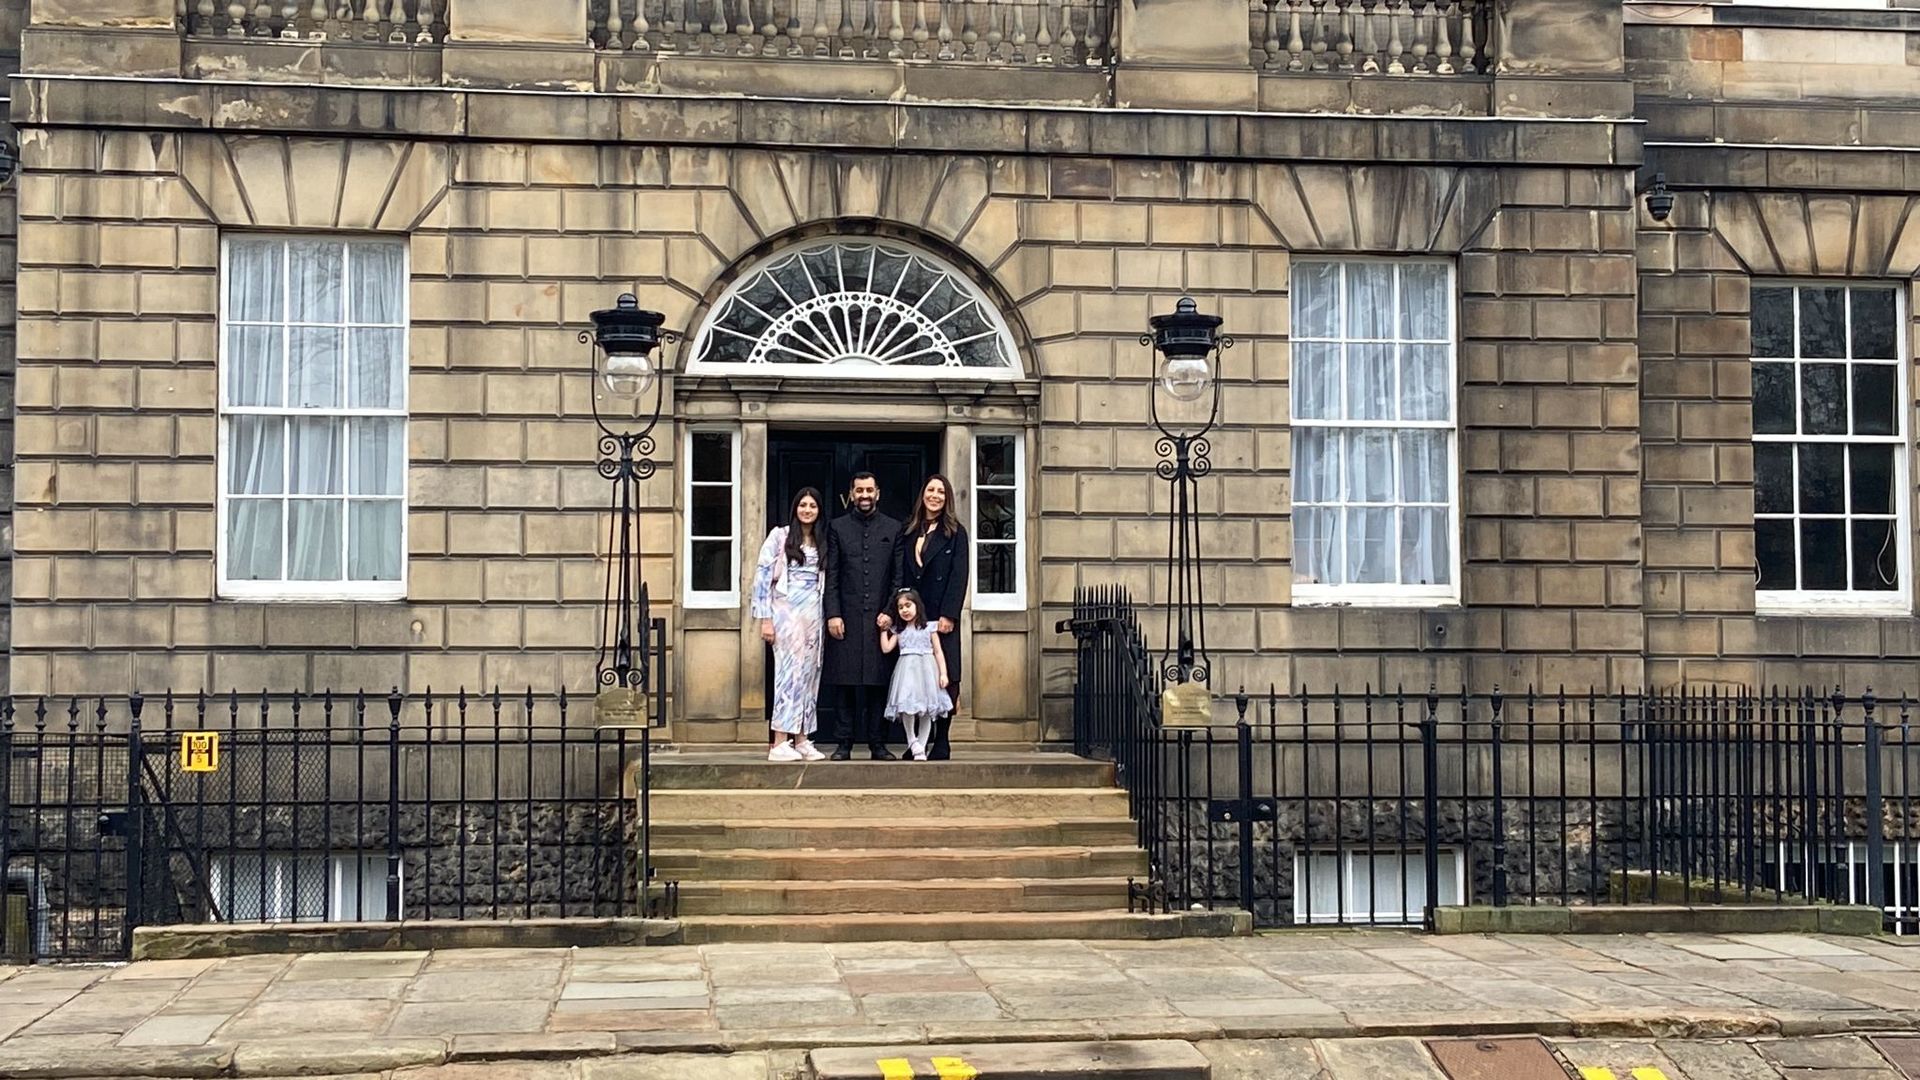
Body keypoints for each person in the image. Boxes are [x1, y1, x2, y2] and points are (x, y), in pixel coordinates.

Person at [821, 472, 901, 761]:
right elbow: (832, 575)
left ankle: (878, 744)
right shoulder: (837, 527)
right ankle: (843, 743)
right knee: (844, 684)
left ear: (877, 492)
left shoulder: (893, 528)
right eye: (859, 491)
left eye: (869, 490)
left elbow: (898, 576)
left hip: (881, 619)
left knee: (878, 684)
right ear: (851, 494)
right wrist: (833, 614)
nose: (864, 495)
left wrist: (891, 612)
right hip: (847, 617)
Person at [891, 474, 969, 760]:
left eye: (940, 491)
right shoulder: (908, 530)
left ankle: (942, 740)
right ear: (922, 495)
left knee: (944, 676)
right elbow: (900, 571)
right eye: (930, 490)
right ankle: (916, 744)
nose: (934, 495)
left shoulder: (956, 532)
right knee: (916, 679)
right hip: (914, 612)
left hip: (941, 614)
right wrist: (896, 608)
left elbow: (959, 576)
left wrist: (949, 613)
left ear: (946, 497)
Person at [752, 488, 828, 762]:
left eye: (813, 506)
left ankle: (803, 738)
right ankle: (779, 740)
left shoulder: (822, 540)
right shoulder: (780, 536)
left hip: (813, 614)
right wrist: (765, 620)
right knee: (788, 675)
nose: (808, 510)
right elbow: (761, 578)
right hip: (785, 612)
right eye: (803, 505)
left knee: (809, 675)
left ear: (819, 511)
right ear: (795, 508)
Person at [881, 589, 949, 761]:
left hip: (927, 670)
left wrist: (943, 674)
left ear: (917, 606)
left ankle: (922, 744)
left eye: (908, 605)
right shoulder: (899, 630)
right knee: (907, 707)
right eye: (900, 607)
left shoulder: (929, 628)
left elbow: (938, 652)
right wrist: (883, 631)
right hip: (907, 673)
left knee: (926, 709)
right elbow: (887, 648)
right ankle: (912, 741)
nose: (904, 610)